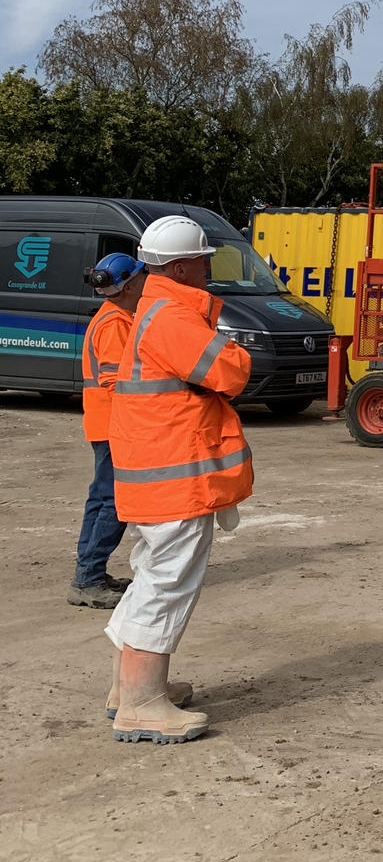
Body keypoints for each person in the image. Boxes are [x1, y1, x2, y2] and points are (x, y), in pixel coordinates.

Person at [106, 214, 254, 745]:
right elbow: (230, 372)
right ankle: (142, 703)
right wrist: (236, 349)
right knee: (167, 582)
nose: (209, 270)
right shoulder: (172, 315)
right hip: (175, 476)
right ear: (184, 266)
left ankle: (129, 690)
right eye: (205, 260)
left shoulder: (153, 309)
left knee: (151, 574)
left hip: (154, 473)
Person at [68, 253, 144, 607]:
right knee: (112, 502)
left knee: (101, 499)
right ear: (127, 285)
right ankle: (88, 579)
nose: (146, 283)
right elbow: (117, 381)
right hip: (114, 423)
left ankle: (90, 573)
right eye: (141, 278)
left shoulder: (114, 317)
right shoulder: (115, 322)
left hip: (105, 422)